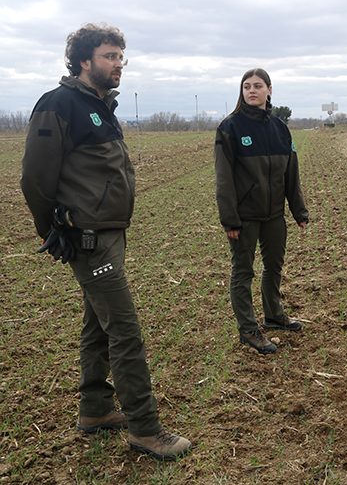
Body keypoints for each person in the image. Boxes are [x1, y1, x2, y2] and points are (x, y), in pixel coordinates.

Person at [20, 23, 191, 459]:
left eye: (121, 57)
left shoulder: (101, 106)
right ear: (83, 60)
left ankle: (95, 409)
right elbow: (35, 179)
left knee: (98, 326)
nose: (119, 64)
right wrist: (54, 230)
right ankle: (145, 428)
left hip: (109, 233)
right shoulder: (59, 104)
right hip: (88, 239)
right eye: (110, 56)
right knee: (126, 331)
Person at [214, 68, 309, 354]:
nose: (251, 91)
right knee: (243, 272)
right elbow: (224, 179)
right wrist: (230, 219)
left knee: (274, 267)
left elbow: (292, 172)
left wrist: (299, 211)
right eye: (246, 87)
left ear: (269, 90)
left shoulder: (280, 128)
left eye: (257, 86)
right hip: (244, 217)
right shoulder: (229, 128)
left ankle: (274, 314)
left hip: (274, 215)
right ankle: (248, 329)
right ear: (241, 92)